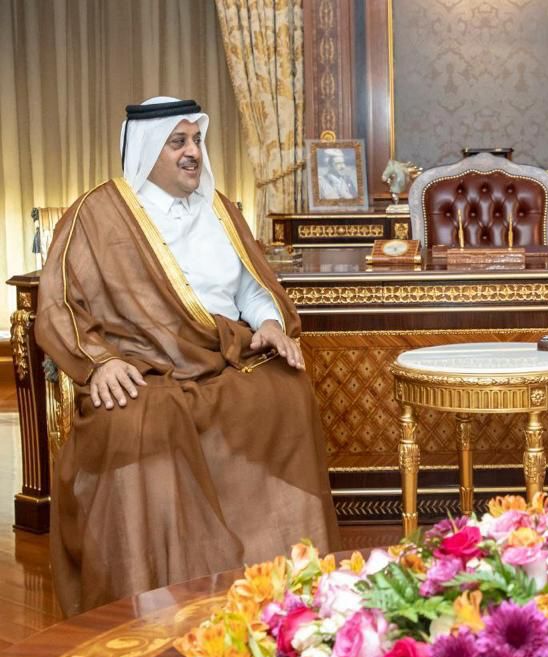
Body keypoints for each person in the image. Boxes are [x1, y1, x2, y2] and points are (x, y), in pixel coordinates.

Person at [36, 96, 340, 615]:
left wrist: (268, 322)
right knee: (139, 420)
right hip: (140, 366)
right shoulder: (98, 214)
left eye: (196, 140)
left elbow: (250, 287)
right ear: (147, 149)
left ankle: (277, 585)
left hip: (221, 355)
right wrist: (100, 361)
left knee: (285, 393)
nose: (192, 152)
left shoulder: (219, 208)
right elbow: (60, 301)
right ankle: (151, 599)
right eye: (177, 142)